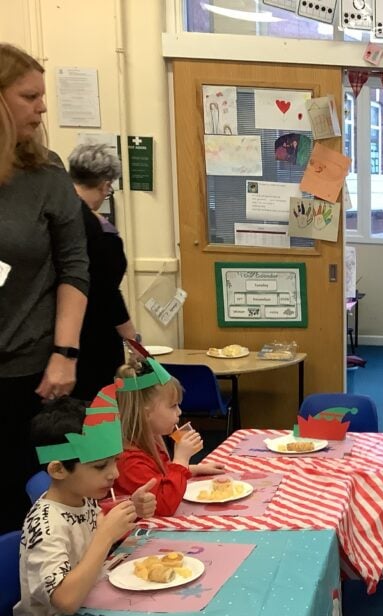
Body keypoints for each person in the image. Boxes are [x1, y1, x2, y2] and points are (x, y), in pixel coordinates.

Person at [0, 44, 89, 532]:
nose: (43, 107)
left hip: (27, 367)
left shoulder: (46, 173)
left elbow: (75, 267)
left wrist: (65, 352)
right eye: (29, 96)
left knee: (27, 494)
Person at [14, 388, 155, 616]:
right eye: (101, 466)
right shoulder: (45, 524)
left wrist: (132, 508)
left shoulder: (82, 497)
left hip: (91, 612)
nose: (114, 473)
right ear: (58, 469)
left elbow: (94, 524)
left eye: (115, 461)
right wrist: (105, 537)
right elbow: (65, 601)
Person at [68, 142, 138, 401]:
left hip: (52, 337)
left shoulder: (54, 213)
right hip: (93, 340)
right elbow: (106, 292)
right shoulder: (98, 232)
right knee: (95, 412)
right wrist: (133, 340)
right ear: (105, 184)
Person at [113, 357, 224, 516]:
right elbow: (164, 505)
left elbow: (161, 475)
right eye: (173, 406)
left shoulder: (149, 440)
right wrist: (181, 460)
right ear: (146, 412)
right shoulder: (129, 461)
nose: (179, 412)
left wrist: (193, 469)